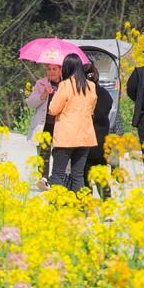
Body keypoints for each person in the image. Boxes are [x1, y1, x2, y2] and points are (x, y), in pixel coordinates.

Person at [46, 52, 96, 193]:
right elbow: (92, 109)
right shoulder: (91, 86)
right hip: (85, 136)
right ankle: (80, 207)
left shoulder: (65, 85)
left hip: (66, 137)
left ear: (67, 68)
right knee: (78, 175)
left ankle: (56, 206)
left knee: (57, 175)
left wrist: (53, 95)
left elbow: (53, 109)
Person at [24, 61, 62, 179]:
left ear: (60, 70)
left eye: (54, 69)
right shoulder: (41, 84)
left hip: (59, 125)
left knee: (59, 154)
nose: (51, 72)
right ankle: (43, 178)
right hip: (44, 124)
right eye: (49, 69)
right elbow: (30, 103)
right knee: (43, 154)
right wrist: (44, 94)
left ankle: (56, 179)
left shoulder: (66, 85)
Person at [83, 60, 115, 197]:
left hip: (85, 142)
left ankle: (86, 206)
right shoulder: (105, 95)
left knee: (84, 178)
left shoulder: (82, 95)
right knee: (101, 179)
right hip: (100, 144)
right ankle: (107, 208)